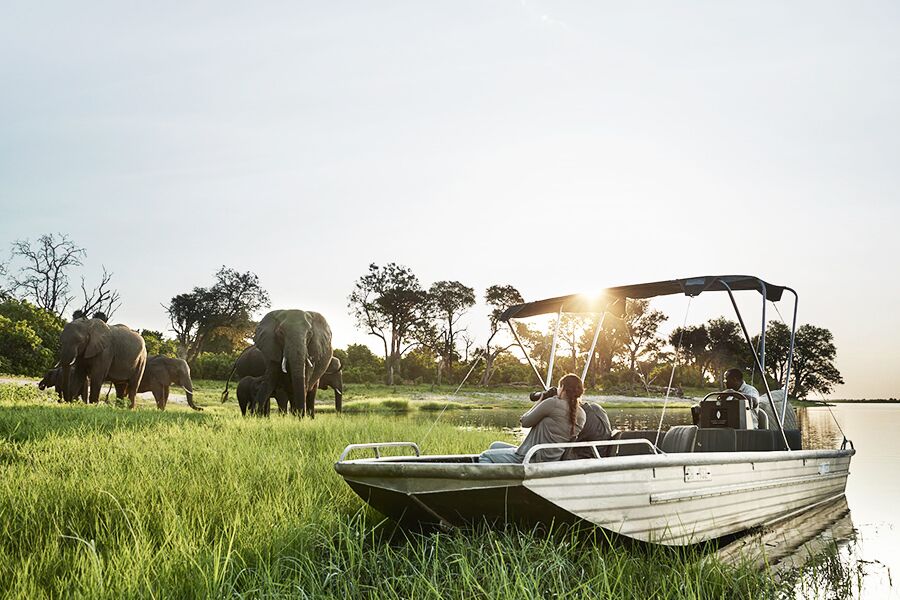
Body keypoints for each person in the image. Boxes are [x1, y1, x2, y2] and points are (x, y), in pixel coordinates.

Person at [479, 373, 587, 464]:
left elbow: (524, 422)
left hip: (532, 457)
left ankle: (502, 481)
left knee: (485, 456)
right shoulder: (582, 414)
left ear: (562, 388)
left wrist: (540, 401)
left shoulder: (552, 403)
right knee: (494, 446)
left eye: (559, 387)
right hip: (552, 459)